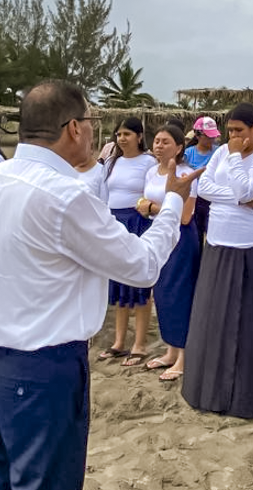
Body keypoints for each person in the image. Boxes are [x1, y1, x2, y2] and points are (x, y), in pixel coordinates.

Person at [0, 79, 200, 490]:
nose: (98, 133)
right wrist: (171, 205)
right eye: (93, 122)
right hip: (46, 366)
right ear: (74, 128)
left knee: (6, 489)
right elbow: (142, 265)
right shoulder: (65, 196)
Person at [182, 103, 253, 419]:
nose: (234, 136)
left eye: (240, 130)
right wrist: (241, 197)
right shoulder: (223, 150)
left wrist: (238, 163)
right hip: (219, 241)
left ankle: (243, 400)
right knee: (211, 320)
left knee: (248, 325)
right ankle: (206, 391)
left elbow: (251, 190)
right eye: (231, 130)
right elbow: (205, 188)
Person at [137, 125, 199, 381]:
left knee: (179, 294)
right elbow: (140, 203)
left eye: (165, 142)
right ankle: (170, 350)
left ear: (179, 147)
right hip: (158, 235)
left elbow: (185, 216)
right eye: (157, 141)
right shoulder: (151, 171)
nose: (159, 145)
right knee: (161, 293)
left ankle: (184, 356)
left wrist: (152, 206)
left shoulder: (186, 174)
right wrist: (150, 206)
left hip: (181, 240)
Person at [97, 117, 158, 366]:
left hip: (137, 222)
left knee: (139, 285)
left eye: (127, 134)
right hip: (114, 221)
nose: (122, 138)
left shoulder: (149, 162)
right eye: (119, 134)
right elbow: (103, 192)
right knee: (119, 284)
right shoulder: (112, 162)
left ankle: (140, 343)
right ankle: (119, 342)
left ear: (139, 136)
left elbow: (151, 193)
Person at [184, 116, 220, 248]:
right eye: (208, 136)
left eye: (213, 136)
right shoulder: (188, 154)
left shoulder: (219, 152)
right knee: (196, 236)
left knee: (213, 234)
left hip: (212, 199)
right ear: (198, 135)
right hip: (194, 200)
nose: (212, 139)